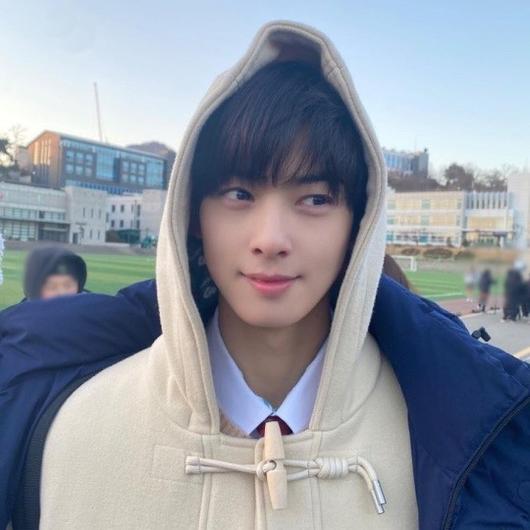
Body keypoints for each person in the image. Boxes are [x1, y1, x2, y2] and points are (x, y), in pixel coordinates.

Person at [2, 21, 530, 530]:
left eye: (315, 198)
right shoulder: (72, 432)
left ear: (360, 223)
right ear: (192, 214)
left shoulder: (460, 443)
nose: (271, 238)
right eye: (239, 193)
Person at [22, 247, 87, 301]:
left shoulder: (90, 310)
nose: (62, 294)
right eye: (51, 287)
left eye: (68, 286)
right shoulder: (21, 312)